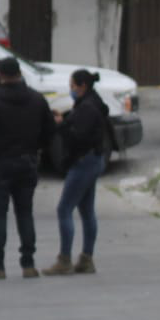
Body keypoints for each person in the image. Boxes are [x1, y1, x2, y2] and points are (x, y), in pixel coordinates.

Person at [0, 57, 56, 280]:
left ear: (0, 75)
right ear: (20, 73)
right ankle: (28, 264)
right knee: (25, 213)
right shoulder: (37, 99)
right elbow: (50, 130)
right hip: (27, 162)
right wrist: (38, 149)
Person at [46, 70, 114, 276]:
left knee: (64, 209)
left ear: (82, 86)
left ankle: (65, 260)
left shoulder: (87, 107)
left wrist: (61, 126)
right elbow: (79, 123)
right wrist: (65, 119)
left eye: (73, 86)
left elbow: (78, 137)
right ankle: (86, 258)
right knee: (86, 210)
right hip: (94, 160)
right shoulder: (92, 102)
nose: (71, 90)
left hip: (84, 162)